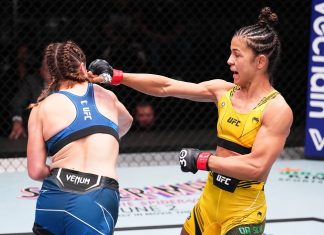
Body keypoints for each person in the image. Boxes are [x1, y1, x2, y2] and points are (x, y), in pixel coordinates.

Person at [88, 7, 293, 235]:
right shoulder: (223, 91)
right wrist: (117, 76)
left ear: (260, 62)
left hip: (243, 211)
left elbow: (256, 167)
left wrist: (203, 160)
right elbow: (166, 86)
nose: (229, 61)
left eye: (237, 54)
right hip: (208, 203)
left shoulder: (276, 109)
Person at [27, 41, 133, 234]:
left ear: (51, 74)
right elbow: (126, 122)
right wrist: (103, 142)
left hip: (54, 194)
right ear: (83, 66)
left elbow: (35, 171)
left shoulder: (41, 108)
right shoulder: (107, 96)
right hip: (97, 196)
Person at [9, 58, 51, 140]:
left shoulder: (68, 82)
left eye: (54, 70)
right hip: (37, 129)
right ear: (41, 71)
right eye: (48, 70)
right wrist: (17, 121)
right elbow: (17, 102)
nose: (52, 74)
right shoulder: (32, 82)